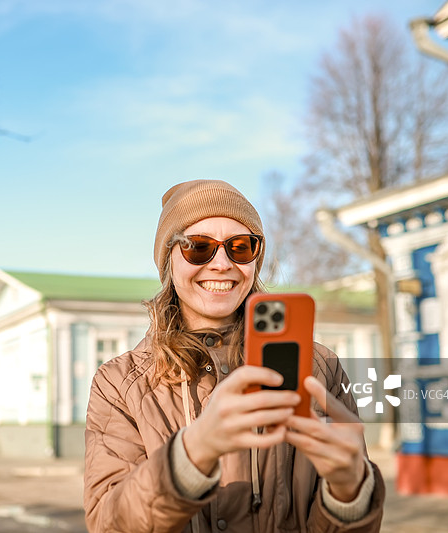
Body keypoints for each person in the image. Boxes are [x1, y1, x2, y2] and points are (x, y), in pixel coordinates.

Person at [84, 180, 384, 533]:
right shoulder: (118, 384)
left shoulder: (321, 368)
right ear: (168, 261)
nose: (222, 263)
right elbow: (109, 523)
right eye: (199, 248)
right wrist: (191, 454)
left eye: (241, 247)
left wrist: (350, 494)